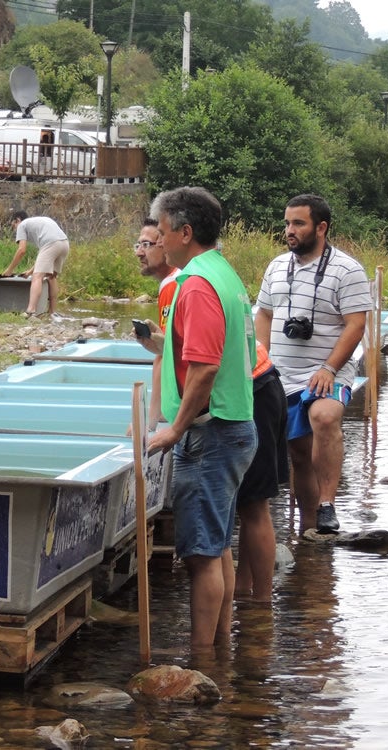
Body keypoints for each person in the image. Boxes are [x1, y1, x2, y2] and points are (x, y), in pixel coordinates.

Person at [146, 186, 257, 653]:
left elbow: (206, 366)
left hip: (212, 433)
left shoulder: (197, 284)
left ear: (185, 232)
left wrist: (174, 427)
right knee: (218, 545)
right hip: (231, 426)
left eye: (163, 231)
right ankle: (221, 645)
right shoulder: (223, 271)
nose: (158, 239)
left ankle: (201, 656)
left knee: (201, 554)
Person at [255, 194, 373, 534]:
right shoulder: (277, 267)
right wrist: (263, 357)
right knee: (299, 453)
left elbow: (356, 325)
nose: (289, 231)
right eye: (287, 224)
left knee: (324, 415)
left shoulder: (347, 269)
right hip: (283, 374)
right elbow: (264, 313)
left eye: (298, 224)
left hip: (327, 369)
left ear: (321, 227)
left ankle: (327, 503)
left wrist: (330, 368)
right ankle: (310, 530)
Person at [234, 342, 288, 604]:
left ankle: (263, 604)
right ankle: (243, 589)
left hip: (255, 391)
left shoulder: (203, 299)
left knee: (255, 505)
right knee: (247, 503)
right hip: (257, 384)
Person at [133, 217, 180, 427]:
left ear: (164, 244)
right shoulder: (179, 278)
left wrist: (149, 421)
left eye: (146, 245)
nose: (139, 252)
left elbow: (165, 356)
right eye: (138, 244)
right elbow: (169, 345)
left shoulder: (174, 283)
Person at [1, 211, 70, 318]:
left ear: (18, 220)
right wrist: (30, 271)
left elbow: (21, 250)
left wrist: (9, 269)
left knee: (37, 277)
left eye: (13, 225)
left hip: (51, 243)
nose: (14, 229)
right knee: (51, 276)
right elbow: (45, 254)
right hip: (64, 243)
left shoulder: (22, 225)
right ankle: (52, 312)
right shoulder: (38, 223)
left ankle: (30, 311)